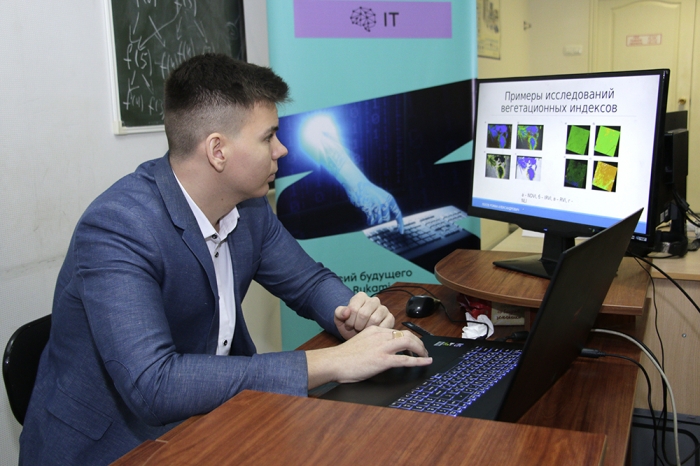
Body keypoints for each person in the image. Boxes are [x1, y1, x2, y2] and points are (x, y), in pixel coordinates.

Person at [19, 53, 432, 465]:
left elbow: (308, 283)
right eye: (268, 137)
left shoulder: (248, 208)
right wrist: (331, 362)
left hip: (215, 422)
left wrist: (351, 315)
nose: (282, 149)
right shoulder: (118, 226)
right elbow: (154, 384)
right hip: (116, 448)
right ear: (218, 150)